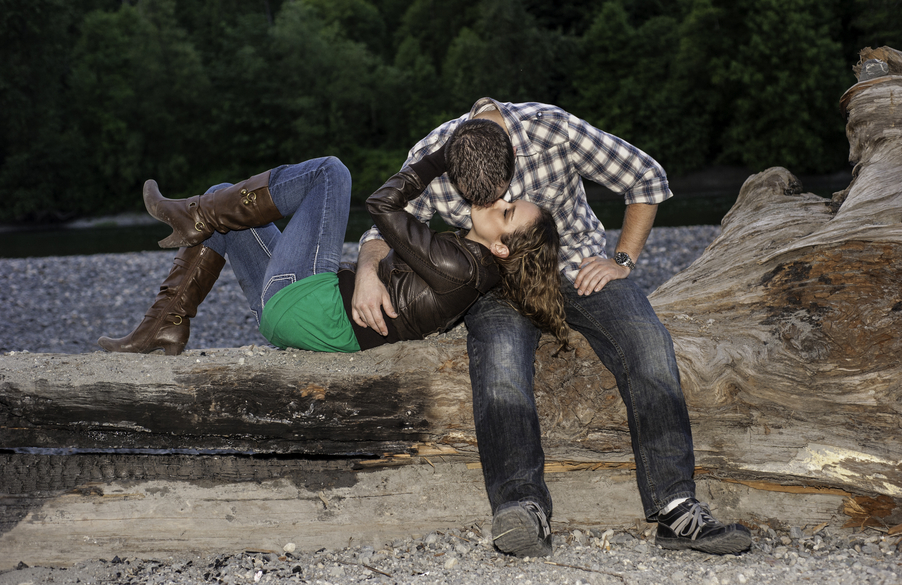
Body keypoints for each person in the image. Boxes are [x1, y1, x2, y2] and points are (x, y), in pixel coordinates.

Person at [352, 99, 753, 557]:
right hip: (495, 284)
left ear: (513, 161)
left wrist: (622, 260)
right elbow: (382, 226)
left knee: (647, 342)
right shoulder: (433, 151)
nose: (494, 204)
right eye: (474, 202)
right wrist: (367, 272)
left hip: (579, 267)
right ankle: (522, 508)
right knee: (500, 359)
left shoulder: (554, 131)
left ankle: (676, 507)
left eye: (501, 194)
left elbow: (647, 178)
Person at [98, 153, 566, 356]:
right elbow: (381, 245)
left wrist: (441, 157)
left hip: (310, 304)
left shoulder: (459, 266)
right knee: (225, 200)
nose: (498, 200)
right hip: (298, 315)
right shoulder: (468, 264)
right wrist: (369, 270)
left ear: (502, 247)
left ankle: (193, 213)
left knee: (332, 174)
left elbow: (381, 205)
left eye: (506, 211)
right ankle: (164, 326)